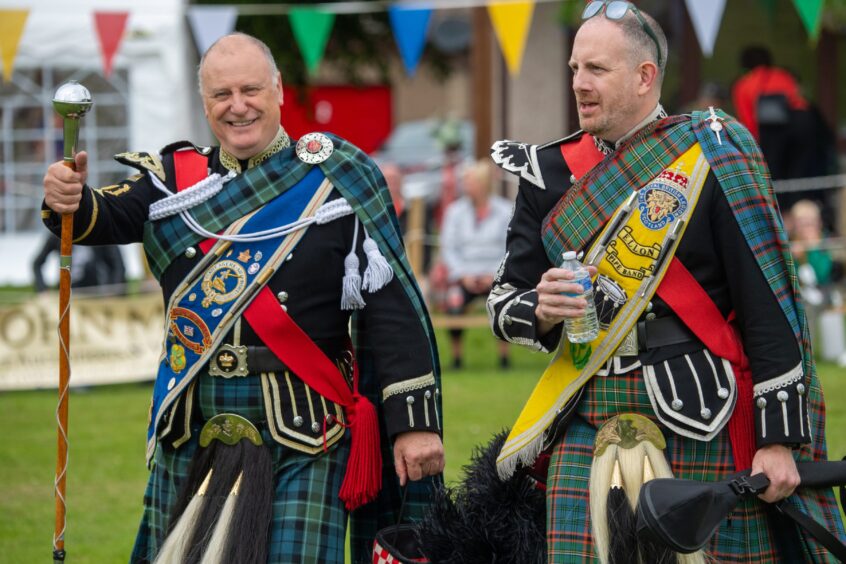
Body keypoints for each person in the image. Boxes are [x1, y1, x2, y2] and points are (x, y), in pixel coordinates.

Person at [42, 32, 444, 564]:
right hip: (195, 426)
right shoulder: (173, 182)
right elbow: (95, 215)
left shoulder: (337, 178)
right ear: (204, 103)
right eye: (221, 94)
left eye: (251, 89)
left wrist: (413, 424)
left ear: (278, 90)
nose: (238, 106)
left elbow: (392, 305)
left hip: (306, 431)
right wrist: (65, 195)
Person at [487, 3, 844, 562]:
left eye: (597, 70)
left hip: (698, 411)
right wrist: (541, 309)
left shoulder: (714, 150)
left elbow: (768, 300)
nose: (580, 84)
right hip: (585, 411)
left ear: (645, 76)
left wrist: (777, 440)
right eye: (575, 68)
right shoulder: (547, 171)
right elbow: (503, 302)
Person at [439, 159, 511, 369]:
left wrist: (494, 275)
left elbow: (510, 250)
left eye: (469, 181)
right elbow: (448, 248)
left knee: (504, 302)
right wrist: (463, 276)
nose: (465, 186)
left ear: (483, 184)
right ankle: (457, 358)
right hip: (465, 275)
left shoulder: (505, 211)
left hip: (495, 276)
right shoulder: (455, 212)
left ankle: (504, 359)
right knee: (454, 302)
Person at [32, 234, 126, 294]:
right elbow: (37, 264)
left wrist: (113, 290)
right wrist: (42, 290)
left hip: (97, 293)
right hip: (67, 295)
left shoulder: (100, 232)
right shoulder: (59, 233)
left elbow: (118, 266)